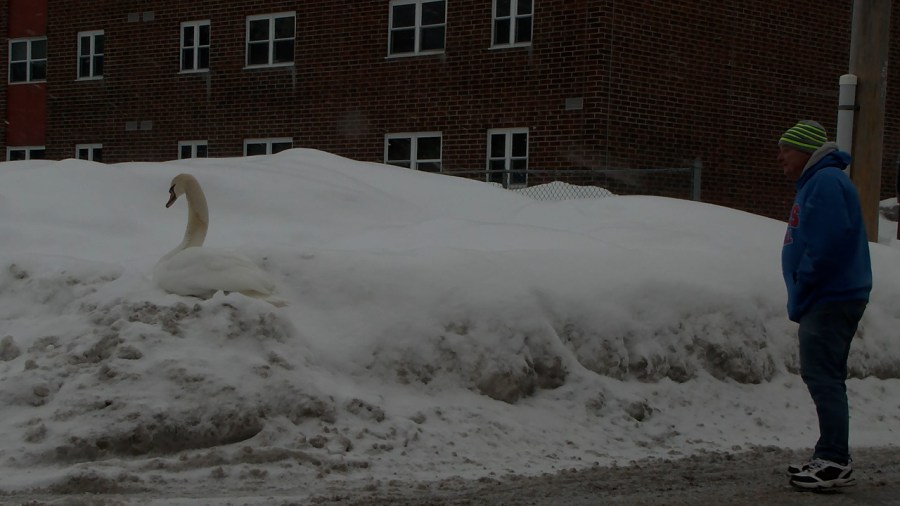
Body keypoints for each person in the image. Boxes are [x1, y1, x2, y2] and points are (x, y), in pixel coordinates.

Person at [777, 120, 873, 489]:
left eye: (785, 148)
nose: (780, 156)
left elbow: (827, 244)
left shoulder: (826, 182)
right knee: (823, 375)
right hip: (827, 295)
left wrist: (804, 282)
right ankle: (830, 454)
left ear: (805, 151)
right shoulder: (818, 182)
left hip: (830, 296)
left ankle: (833, 459)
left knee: (823, 376)